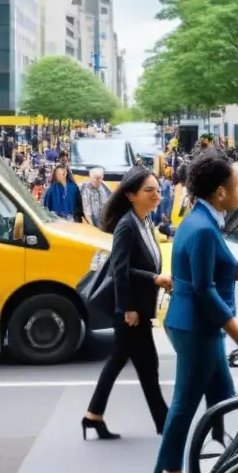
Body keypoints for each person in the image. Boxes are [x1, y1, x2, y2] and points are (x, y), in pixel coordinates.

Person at [154, 149, 238, 473]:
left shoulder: (201, 221)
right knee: (189, 403)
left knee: (222, 399)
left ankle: (232, 467)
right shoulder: (203, 229)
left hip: (195, 325)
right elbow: (203, 288)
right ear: (220, 192)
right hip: (197, 327)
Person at [83, 167, 171, 440]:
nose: (157, 195)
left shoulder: (144, 222)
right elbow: (119, 270)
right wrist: (128, 307)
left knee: (126, 360)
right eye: (149, 190)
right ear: (131, 195)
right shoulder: (127, 225)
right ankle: (164, 423)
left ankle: (93, 416)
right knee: (147, 364)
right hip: (131, 310)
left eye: (157, 189)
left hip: (139, 307)